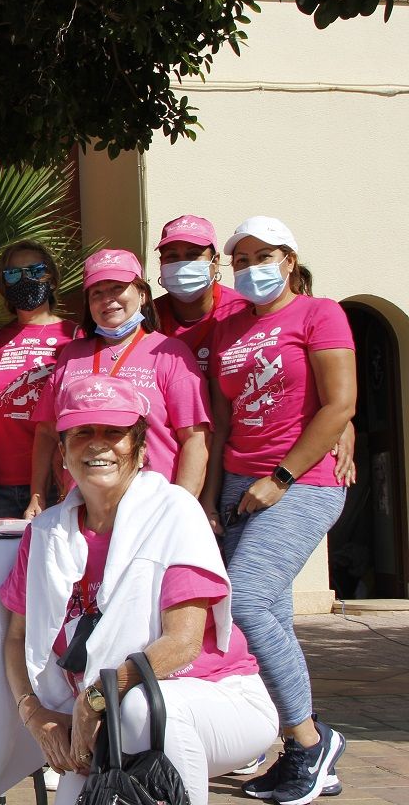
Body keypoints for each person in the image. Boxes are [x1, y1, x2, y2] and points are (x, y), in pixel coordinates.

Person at [1, 376, 277, 805]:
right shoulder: (44, 534)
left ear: (141, 447)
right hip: (106, 717)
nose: (98, 445)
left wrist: (94, 700)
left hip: (215, 698)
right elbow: (17, 636)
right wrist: (34, 713)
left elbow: (182, 643)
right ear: (63, 451)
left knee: (138, 709)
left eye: (114, 433)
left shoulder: (173, 514)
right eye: (82, 433)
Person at [201, 217, 356, 805]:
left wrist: (282, 476)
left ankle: (310, 741)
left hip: (303, 479)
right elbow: (221, 418)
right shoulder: (228, 325)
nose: (250, 269)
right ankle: (293, 747)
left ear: (289, 259)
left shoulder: (321, 313)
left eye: (262, 256)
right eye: (239, 260)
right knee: (249, 614)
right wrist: (212, 494)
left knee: (249, 597)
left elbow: (340, 402)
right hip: (238, 479)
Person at [28, 248, 210, 515]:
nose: (108, 299)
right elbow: (46, 432)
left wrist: (179, 510)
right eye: (97, 292)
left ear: (142, 294)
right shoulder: (72, 355)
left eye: (117, 288)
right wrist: (38, 496)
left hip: (152, 509)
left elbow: (196, 440)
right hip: (82, 510)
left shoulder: (171, 354)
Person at [0, 241, 81, 518]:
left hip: (55, 482)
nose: (25, 280)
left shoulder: (74, 336)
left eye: (35, 271)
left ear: (51, 277)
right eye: (13, 274)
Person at [153, 215, 250, 374]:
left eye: (193, 255)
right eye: (172, 256)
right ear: (161, 263)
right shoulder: (149, 317)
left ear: (215, 262)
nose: (182, 265)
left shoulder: (242, 311)